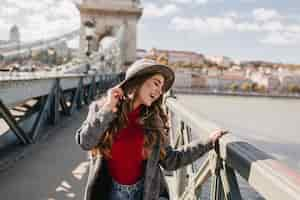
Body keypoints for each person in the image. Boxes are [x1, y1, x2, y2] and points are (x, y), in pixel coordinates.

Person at [75, 59, 227, 200]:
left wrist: (208, 142)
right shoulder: (102, 109)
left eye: (162, 88)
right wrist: (108, 108)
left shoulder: (154, 121)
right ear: (139, 80)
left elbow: (171, 161)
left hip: (145, 193)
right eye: (156, 83)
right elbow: (86, 142)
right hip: (110, 192)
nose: (160, 91)